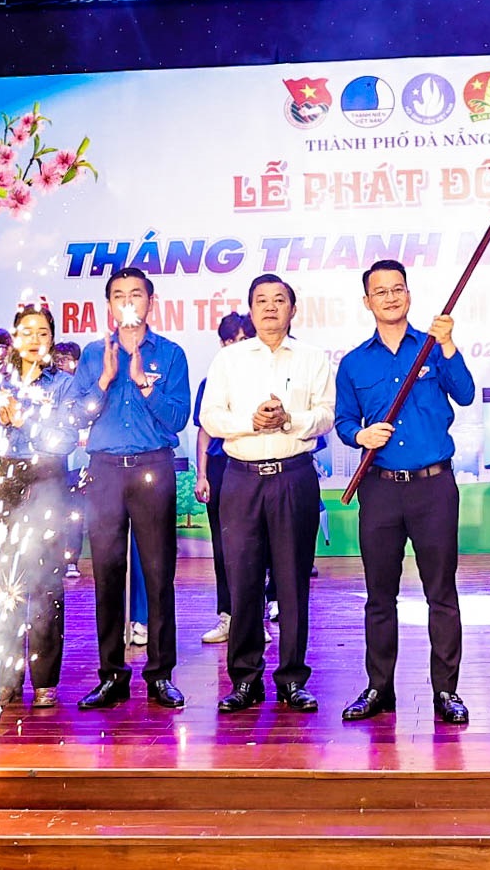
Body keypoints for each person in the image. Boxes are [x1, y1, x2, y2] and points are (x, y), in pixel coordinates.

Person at [333, 260, 474, 724]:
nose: (390, 297)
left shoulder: (434, 347)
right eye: (381, 291)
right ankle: (379, 688)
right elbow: (343, 422)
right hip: (381, 491)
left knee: (442, 593)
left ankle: (446, 692)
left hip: (434, 488)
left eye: (398, 289)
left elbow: (467, 392)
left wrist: (449, 344)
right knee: (379, 596)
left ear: (409, 295)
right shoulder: (354, 362)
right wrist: (360, 437)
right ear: (367, 301)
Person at [201, 274, 337, 714]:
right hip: (240, 479)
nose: (271, 307)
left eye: (280, 300)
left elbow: (325, 415)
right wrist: (252, 421)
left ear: (293, 309)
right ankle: (245, 680)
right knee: (242, 582)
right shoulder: (229, 360)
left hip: (293, 476)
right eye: (262, 301)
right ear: (251, 310)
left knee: (293, 581)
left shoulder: (314, 358)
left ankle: (292, 679)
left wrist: (287, 420)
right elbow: (211, 418)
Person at [59, 269, 190, 711]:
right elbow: (74, 416)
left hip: (153, 467)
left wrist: (141, 382)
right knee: (108, 576)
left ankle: (160, 674)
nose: (128, 301)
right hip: (105, 472)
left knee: (158, 575)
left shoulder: (170, 354)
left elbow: (177, 418)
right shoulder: (94, 355)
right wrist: (104, 381)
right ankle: (111, 674)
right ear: (109, 306)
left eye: (137, 294)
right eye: (119, 295)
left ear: (151, 303)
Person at [0, 305, 75, 708]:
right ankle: (6, 678)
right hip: (6, 481)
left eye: (42, 332)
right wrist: (3, 423)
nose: (34, 339)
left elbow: (65, 440)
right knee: (5, 584)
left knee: (45, 584)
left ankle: (45, 681)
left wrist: (24, 424)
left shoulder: (64, 386)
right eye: (26, 332)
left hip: (46, 482)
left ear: (51, 339)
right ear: (15, 338)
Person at [193, 312, 253, 644]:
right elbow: (204, 432)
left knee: (256, 545)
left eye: (244, 340)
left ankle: (254, 617)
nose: (237, 346)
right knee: (223, 546)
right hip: (220, 469)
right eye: (231, 341)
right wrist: (202, 474)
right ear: (222, 344)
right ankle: (227, 616)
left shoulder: (264, 376)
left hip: (252, 466)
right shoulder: (211, 381)